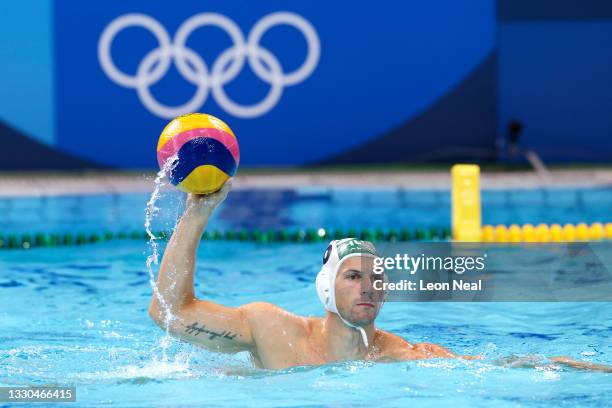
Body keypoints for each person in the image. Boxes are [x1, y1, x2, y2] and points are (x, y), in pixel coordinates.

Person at [148, 181, 610, 372]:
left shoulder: (405, 356)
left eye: (377, 277)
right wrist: (197, 213)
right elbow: (169, 312)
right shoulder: (270, 330)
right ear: (326, 288)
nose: (368, 285)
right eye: (353, 277)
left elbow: (502, 368)